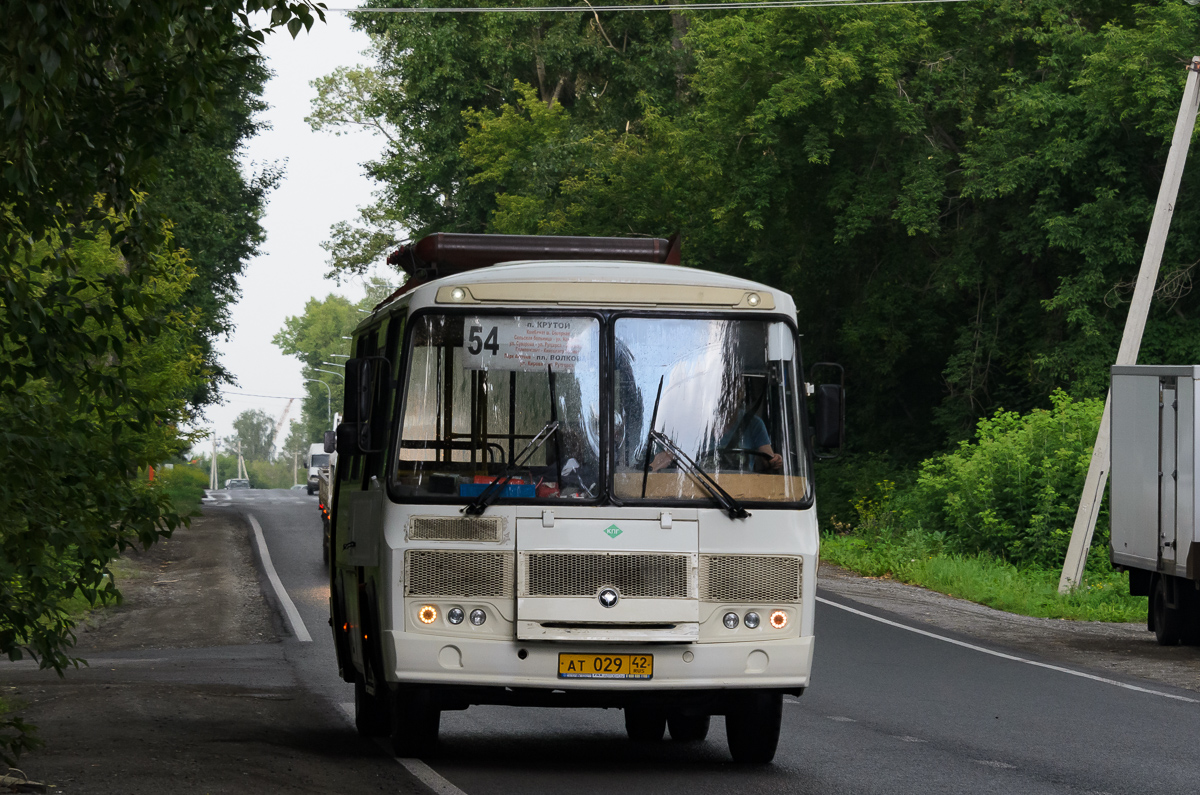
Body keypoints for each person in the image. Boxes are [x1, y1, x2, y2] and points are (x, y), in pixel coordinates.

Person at [650, 385, 783, 472]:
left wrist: (774, 461)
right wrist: (652, 468)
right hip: (698, 490)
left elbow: (768, 460)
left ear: (741, 393)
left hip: (743, 492)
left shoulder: (754, 424)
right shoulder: (693, 424)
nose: (727, 396)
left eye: (733, 390)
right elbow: (667, 456)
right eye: (722, 389)